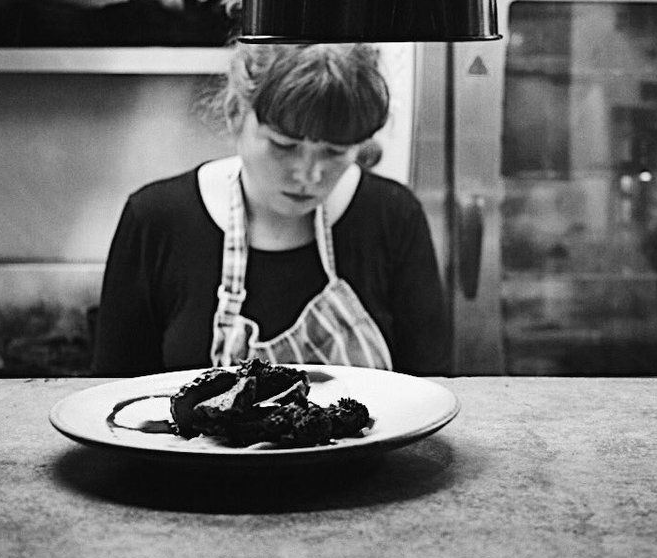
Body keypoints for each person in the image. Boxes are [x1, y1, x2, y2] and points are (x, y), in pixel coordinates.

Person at [92, 42, 451, 377]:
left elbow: (431, 389)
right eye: (284, 145)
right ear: (236, 114)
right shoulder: (156, 219)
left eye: (335, 151)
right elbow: (114, 397)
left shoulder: (393, 215)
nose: (309, 175)